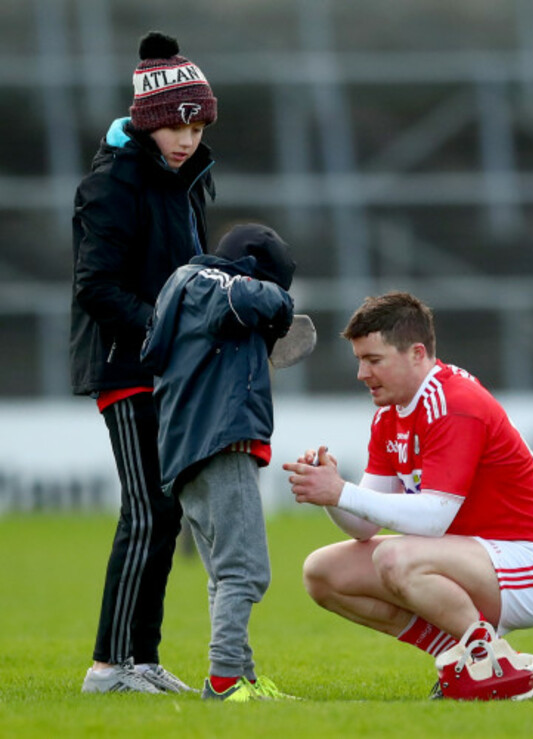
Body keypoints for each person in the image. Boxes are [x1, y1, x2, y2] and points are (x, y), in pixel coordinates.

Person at [283, 291, 533, 695]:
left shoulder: (452, 402)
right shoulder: (391, 413)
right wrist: (333, 496)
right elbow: (363, 528)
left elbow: (434, 517)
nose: (362, 374)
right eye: (359, 360)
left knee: (395, 556)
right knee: (322, 573)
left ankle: (490, 665)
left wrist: (342, 491)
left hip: (532, 563)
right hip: (471, 556)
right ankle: (474, 658)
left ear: (417, 353)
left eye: (374, 360)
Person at [70, 31, 218, 694]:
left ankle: (141, 659)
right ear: (150, 121)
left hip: (170, 368)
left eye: (198, 123)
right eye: (177, 124)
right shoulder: (112, 183)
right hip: (126, 367)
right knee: (147, 511)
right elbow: (94, 287)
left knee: (165, 511)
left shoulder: (182, 179)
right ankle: (108, 666)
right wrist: (164, 327)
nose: (188, 137)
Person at [141, 223, 298, 702]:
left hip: (190, 450)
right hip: (220, 445)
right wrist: (282, 308)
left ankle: (242, 677)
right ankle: (225, 680)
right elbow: (254, 300)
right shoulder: (208, 282)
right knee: (247, 572)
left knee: (225, 572)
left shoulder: (183, 291)